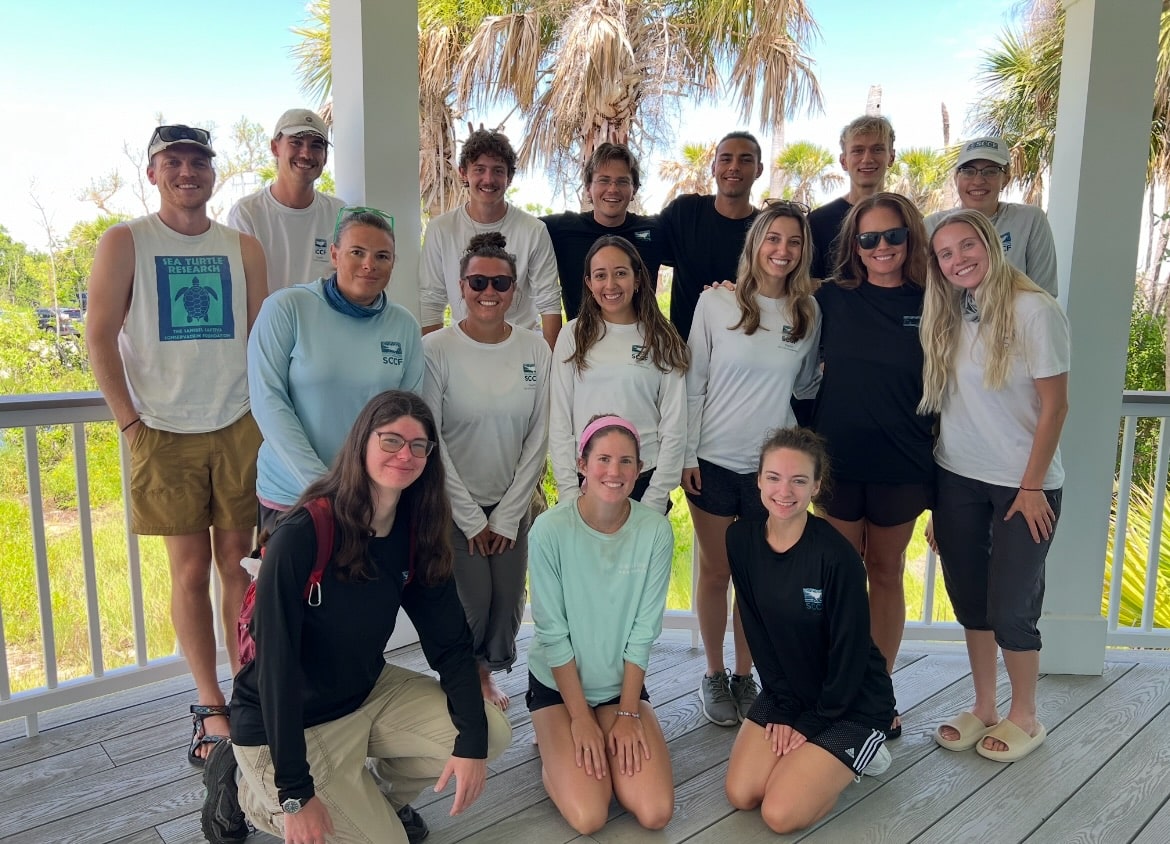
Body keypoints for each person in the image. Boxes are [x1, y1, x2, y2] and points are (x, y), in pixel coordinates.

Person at [202, 390, 512, 844]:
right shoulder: (305, 534)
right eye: (390, 441)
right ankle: (248, 792)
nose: (405, 454)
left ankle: (373, 799)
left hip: (362, 695)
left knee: (489, 733)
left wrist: (469, 744)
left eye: (418, 445)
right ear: (362, 443)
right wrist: (294, 794)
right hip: (283, 724)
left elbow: (449, 645)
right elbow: (276, 670)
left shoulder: (415, 530)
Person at [85, 124, 267, 766]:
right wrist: (130, 423)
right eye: (174, 162)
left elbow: (261, 343)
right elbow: (99, 336)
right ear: (154, 172)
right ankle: (211, 705)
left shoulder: (242, 247)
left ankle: (250, 690)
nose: (187, 172)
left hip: (239, 423)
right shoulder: (125, 242)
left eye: (198, 163)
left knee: (239, 568)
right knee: (189, 572)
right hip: (162, 430)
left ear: (212, 174)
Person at [921, 210, 1069, 762]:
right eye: (945, 253)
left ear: (990, 244)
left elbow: (1056, 406)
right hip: (957, 478)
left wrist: (1031, 487)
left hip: (1022, 486)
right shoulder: (952, 310)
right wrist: (939, 504)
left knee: (1012, 605)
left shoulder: (1035, 310)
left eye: (968, 246)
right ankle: (984, 706)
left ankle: (1025, 715)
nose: (959, 259)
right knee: (971, 600)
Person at [684, 202, 822, 727]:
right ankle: (716, 675)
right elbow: (693, 381)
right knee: (717, 570)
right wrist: (686, 453)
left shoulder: (807, 312)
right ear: (755, 244)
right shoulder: (716, 304)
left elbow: (806, 386)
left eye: (793, 242)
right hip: (713, 461)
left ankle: (747, 675)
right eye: (773, 239)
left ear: (802, 251)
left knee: (759, 579)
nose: (782, 251)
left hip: (773, 473)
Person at [724, 427, 894, 834]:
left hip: (850, 702)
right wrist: (784, 707)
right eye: (774, 478)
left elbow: (850, 654)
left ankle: (859, 753)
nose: (785, 491)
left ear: (816, 486)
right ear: (759, 480)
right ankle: (813, 763)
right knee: (743, 793)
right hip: (791, 691)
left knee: (779, 814)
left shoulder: (837, 558)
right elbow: (757, 631)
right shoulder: (741, 540)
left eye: (799, 480)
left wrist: (811, 723)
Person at [813, 192, 935, 738]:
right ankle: (839, 684)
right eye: (868, 238)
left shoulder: (935, 299)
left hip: (904, 461)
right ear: (854, 246)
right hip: (837, 459)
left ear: (909, 238)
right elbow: (771, 302)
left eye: (892, 236)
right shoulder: (831, 299)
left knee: (885, 573)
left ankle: (877, 691)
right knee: (841, 578)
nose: (881, 246)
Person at [527, 415, 675, 835]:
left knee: (655, 811)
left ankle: (602, 731)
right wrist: (580, 719)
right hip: (559, 690)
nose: (615, 471)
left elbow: (644, 633)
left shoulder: (655, 530)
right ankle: (553, 752)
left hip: (618, 690)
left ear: (639, 469)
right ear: (581, 463)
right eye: (604, 459)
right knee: (590, 816)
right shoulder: (549, 531)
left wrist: (628, 712)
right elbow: (553, 636)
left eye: (626, 461)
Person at [423, 232, 552, 709]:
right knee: (472, 601)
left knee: (507, 603)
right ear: (461, 286)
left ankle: (487, 671)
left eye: (500, 282)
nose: (489, 291)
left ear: (514, 290)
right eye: (478, 281)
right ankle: (463, 675)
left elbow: (539, 434)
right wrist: (472, 518)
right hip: (453, 503)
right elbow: (430, 439)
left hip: (512, 499)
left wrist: (505, 514)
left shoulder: (536, 350)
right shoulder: (436, 350)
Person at [248, 207, 423, 533]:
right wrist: (325, 489)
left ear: (393, 263)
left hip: (373, 500)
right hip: (293, 497)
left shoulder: (404, 327)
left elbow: (409, 421)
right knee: (296, 586)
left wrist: (376, 491)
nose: (369, 264)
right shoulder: (287, 308)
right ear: (334, 254)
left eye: (382, 256)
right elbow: (268, 403)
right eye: (357, 252)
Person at [549, 235, 688, 516]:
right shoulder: (573, 335)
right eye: (600, 275)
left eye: (620, 273)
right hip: (585, 481)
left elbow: (675, 424)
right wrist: (568, 491)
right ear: (589, 283)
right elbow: (560, 418)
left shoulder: (661, 338)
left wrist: (657, 495)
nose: (610, 285)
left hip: (643, 480)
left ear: (638, 279)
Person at [419, 128, 562, 347]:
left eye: (498, 170)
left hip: (523, 348)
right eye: (479, 169)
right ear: (463, 172)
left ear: (509, 177)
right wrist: (432, 359)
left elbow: (549, 302)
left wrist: (551, 366)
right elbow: (431, 300)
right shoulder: (441, 229)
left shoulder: (534, 230)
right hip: (463, 347)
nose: (488, 179)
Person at [659, 131, 764, 340]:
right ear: (714, 167)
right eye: (725, 159)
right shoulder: (685, 211)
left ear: (759, 169)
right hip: (684, 348)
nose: (734, 166)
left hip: (743, 350)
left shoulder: (766, 230)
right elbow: (641, 242)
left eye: (745, 160)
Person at [228, 108, 347, 293]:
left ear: (325, 157)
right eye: (296, 143)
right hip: (267, 323)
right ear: (275, 148)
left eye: (316, 145)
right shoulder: (247, 213)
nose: (306, 154)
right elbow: (241, 289)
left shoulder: (340, 213)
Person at [925, 136, 1058, 297]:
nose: (978, 180)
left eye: (990, 171)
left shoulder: (1030, 220)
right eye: (968, 171)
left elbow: (1044, 292)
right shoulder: (931, 226)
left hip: (1014, 321)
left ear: (1006, 178)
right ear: (956, 178)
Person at [541, 143, 662, 321]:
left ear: (634, 189)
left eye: (622, 181)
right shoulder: (561, 229)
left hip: (639, 341)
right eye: (604, 180)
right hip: (582, 340)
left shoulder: (654, 231)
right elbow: (515, 229)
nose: (613, 189)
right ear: (588, 188)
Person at [808, 116, 897, 281]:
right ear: (843, 161)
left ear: (891, 157)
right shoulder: (818, 221)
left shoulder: (905, 218)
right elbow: (809, 285)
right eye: (858, 150)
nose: (867, 159)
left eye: (877, 149)